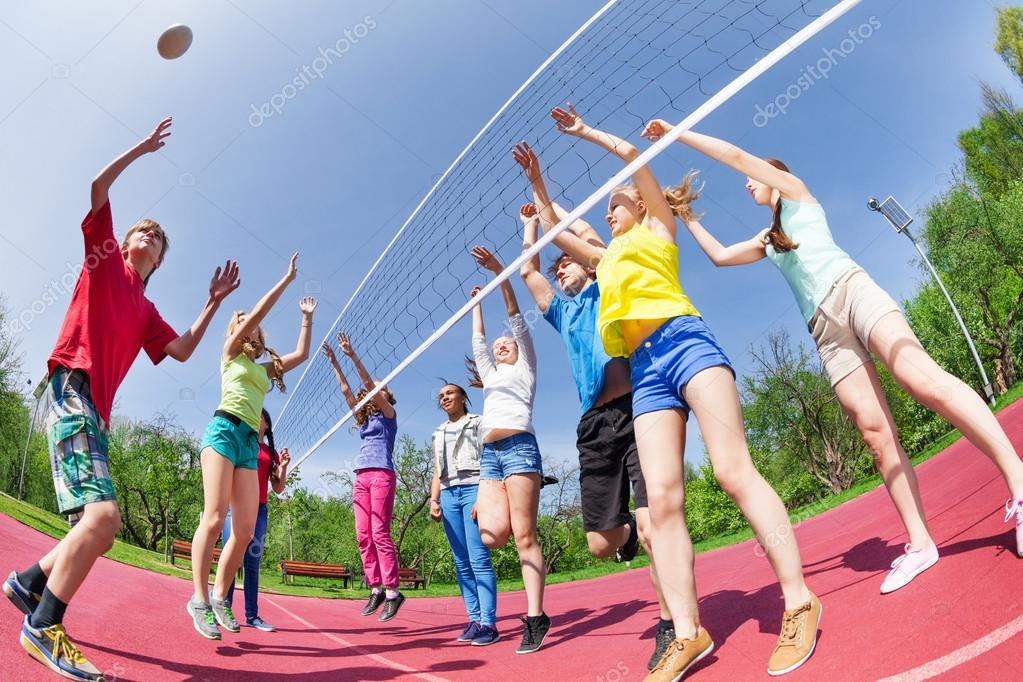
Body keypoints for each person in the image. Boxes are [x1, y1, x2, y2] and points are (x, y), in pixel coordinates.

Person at [642, 118, 1023, 591]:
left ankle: (1019, 483)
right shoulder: (769, 240)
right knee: (874, 433)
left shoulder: (798, 193)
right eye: (747, 179)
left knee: (920, 379)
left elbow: (739, 158)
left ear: (773, 174)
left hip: (851, 291)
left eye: (753, 177)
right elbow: (720, 257)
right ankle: (921, 544)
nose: (746, 182)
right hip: (825, 331)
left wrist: (677, 134)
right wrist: (687, 217)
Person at [532, 105, 819, 680]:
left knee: (734, 472)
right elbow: (559, 227)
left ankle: (799, 600)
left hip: (685, 343)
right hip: (645, 370)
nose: (608, 210)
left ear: (640, 206)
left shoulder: (657, 230)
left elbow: (634, 159)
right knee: (659, 504)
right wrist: (538, 186)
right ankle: (688, 634)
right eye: (608, 206)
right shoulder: (605, 257)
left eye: (616, 202)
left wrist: (588, 132)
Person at [3, 117, 241, 680]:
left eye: (160, 239)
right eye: (145, 231)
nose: (151, 238)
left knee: (95, 522)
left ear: (159, 261)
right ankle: (43, 625)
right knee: (104, 518)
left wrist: (211, 303)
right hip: (71, 386)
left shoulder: (146, 311)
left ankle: (28, 582)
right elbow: (97, 189)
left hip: (97, 413)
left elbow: (181, 350)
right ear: (127, 241)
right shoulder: (103, 259)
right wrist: (142, 147)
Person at [512, 172, 673, 670]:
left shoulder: (607, 281)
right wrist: (528, 230)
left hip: (637, 406)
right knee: (602, 544)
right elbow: (528, 274)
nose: (561, 270)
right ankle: (626, 539)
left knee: (652, 528)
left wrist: (542, 193)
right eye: (558, 268)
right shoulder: (562, 312)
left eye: (567, 264)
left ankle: (669, 624)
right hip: (593, 425)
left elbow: (586, 236)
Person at [187, 254, 315, 639]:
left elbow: (302, 355)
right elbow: (257, 312)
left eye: (255, 327)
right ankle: (198, 600)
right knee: (213, 518)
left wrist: (306, 316)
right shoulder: (228, 354)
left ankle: (221, 597)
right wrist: (287, 279)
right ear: (238, 331)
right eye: (244, 324)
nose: (252, 328)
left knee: (243, 532)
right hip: (223, 431)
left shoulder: (262, 370)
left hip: (248, 442)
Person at [469, 245, 551, 654]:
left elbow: (516, 319)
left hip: (519, 448)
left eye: (508, 345)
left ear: (519, 351)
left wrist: (499, 273)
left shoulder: (525, 366)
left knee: (523, 536)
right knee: (490, 536)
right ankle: (496, 503)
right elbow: (478, 340)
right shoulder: (489, 373)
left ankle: (535, 617)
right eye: (499, 347)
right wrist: (476, 304)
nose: (502, 347)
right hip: (490, 458)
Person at [322, 333, 405, 622]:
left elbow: (368, 386)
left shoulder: (389, 415)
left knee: (380, 532)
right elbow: (347, 390)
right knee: (363, 535)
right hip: (361, 477)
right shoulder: (364, 420)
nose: (374, 390)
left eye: (382, 388)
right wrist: (334, 362)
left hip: (382, 474)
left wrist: (352, 355)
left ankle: (393, 592)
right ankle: (375, 588)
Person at [428, 383, 500, 646]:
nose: (444, 398)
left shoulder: (478, 422)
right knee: (461, 562)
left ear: (463, 397)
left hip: (473, 490)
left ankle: (489, 624)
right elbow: (437, 470)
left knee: (479, 558)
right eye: (441, 396)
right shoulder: (438, 432)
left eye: (449, 393)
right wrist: (433, 499)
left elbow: (490, 458)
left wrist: (484, 495)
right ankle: (474, 620)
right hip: (448, 495)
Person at [220, 408, 291, 631]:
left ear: (266, 424)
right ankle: (224, 608)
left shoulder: (270, 453)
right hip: (236, 506)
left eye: (260, 414)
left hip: (259, 509)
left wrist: (284, 467)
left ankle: (252, 616)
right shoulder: (243, 441)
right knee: (231, 557)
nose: (255, 415)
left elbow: (278, 488)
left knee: (252, 562)